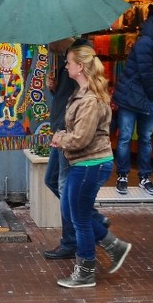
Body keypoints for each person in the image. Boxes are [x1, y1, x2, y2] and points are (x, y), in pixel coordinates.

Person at [51, 44, 131, 288]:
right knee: (73, 212)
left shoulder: (90, 100)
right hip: (85, 164)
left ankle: (85, 272)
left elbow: (81, 139)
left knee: (80, 219)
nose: (66, 66)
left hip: (90, 164)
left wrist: (60, 139)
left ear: (80, 67)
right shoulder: (81, 93)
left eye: (69, 63)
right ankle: (113, 245)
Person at [42, 37, 109, 260]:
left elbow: (81, 134)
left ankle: (76, 245)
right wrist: (55, 88)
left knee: (65, 189)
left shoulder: (80, 55)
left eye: (50, 40)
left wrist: (62, 137)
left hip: (70, 140)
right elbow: (70, 98)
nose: (47, 45)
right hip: (62, 132)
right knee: (53, 181)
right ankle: (96, 225)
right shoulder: (65, 61)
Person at [112, 12, 153, 196]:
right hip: (131, 97)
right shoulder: (144, 44)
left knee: (145, 139)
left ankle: (145, 177)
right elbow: (146, 73)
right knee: (125, 137)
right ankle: (123, 176)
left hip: (148, 98)